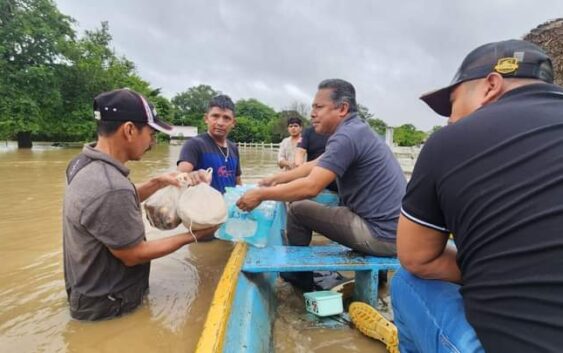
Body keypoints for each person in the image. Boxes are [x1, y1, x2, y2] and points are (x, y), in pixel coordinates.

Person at [392, 39, 563, 353]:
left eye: (454, 102)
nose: (450, 119)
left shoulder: (450, 140)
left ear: (490, 86)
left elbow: (417, 257)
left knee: (405, 282)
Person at [63, 88, 217, 321]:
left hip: (85, 291)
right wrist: (193, 235)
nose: (153, 143)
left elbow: (107, 207)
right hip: (110, 305)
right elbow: (133, 254)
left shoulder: (82, 164)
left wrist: (157, 181)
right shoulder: (112, 187)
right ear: (129, 130)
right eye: (151, 134)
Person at [236, 79, 406, 290]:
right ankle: (378, 276)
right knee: (338, 207)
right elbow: (315, 164)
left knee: (298, 210)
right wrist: (276, 179)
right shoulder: (357, 130)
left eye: (319, 107)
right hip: (398, 232)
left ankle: (299, 277)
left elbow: (311, 187)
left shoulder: (346, 136)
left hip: (381, 236)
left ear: (342, 108)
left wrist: (261, 195)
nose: (312, 114)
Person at [177, 95, 241, 194]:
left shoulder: (233, 148)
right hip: (202, 207)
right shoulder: (194, 144)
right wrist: (192, 175)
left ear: (233, 123)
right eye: (215, 116)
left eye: (226, 118)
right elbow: (179, 179)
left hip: (227, 207)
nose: (220, 122)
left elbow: (238, 182)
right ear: (206, 118)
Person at [295, 126, 338, 192]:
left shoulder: (340, 131)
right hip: (313, 174)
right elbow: (300, 152)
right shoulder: (308, 131)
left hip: (335, 178)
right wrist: (299, 166)